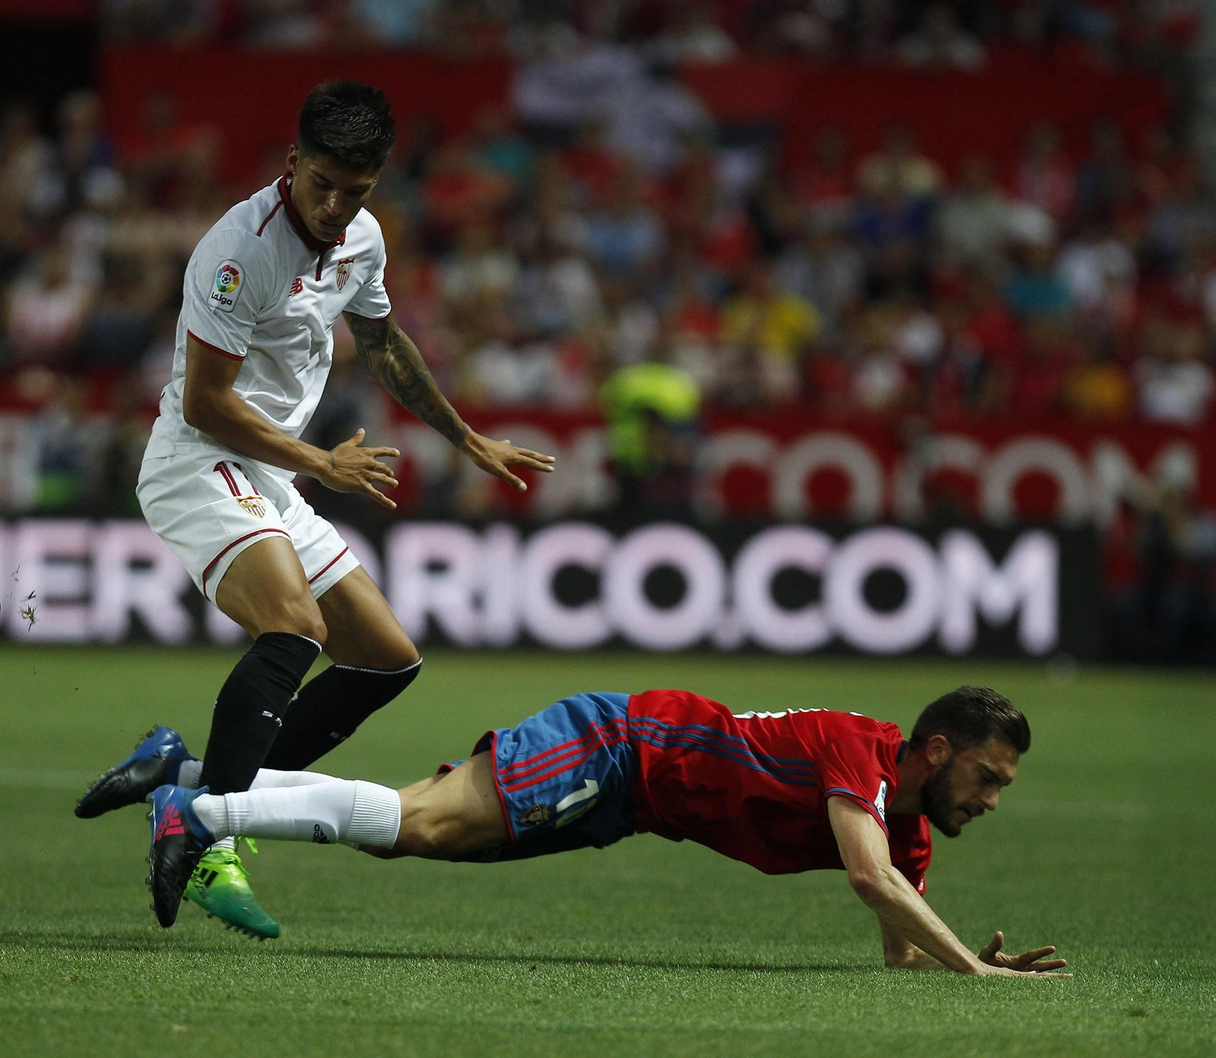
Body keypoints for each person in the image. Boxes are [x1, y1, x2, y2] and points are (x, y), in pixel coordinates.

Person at [75, 82, 555, 937]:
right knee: (293, 628)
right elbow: (208, 406)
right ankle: (207, 834)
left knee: (386, 660)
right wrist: (319, 461)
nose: (335, 207)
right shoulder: (238, 252)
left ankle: (177, 779)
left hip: (276, 474)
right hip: (202, 462)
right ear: (292, 162)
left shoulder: (361, 238)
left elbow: (382, 342)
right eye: (323, 183)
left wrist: (465, 435)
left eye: (357, 190)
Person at [141, 685, 1072, 977]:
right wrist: (977, 972)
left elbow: (895, 935)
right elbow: (870, 884)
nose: (991, 799)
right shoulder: (855, 754)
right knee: (417, 822)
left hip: (626, 806)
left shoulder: (910, 836)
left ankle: (179, 774)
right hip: (618, 746)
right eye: (987, 777)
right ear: (938, 748)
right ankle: (202, 814)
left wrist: (959, 959)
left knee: (409, 830)